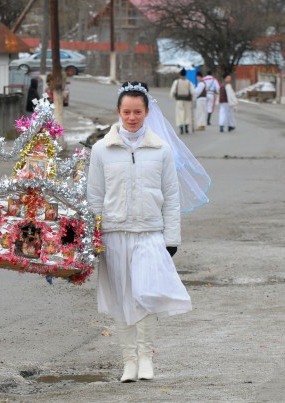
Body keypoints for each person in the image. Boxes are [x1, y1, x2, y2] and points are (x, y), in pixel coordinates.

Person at [86, 82, 193, 383]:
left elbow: (171, 197)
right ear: (118, 112)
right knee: (122, 299)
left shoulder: (161, 150)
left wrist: (171, 239)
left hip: (149, 233)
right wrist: (94, 237)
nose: (132, 117)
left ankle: (146, 357)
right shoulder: (102, 150)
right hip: (114, 233)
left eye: (138, 111)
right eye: (126, 111)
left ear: (147, 112)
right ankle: (128, 361)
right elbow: (94, 196)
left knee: (145, 295)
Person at [169, 68, 195, 135]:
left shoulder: (176, 82)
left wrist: (173, 97)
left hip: (179, 100)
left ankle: (181, 128)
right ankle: (186, 127)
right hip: (187, 100)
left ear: (180, 74)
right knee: (187, 113)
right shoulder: (189, 82)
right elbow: (193, 92)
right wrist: (193, 98)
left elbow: (173, 91)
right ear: (186, 74)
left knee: (179, 113)